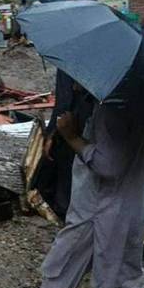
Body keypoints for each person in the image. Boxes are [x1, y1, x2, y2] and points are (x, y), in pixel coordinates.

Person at [0, 100, 144, 288]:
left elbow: (107, 165)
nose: (76, 88)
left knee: (63, 265)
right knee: (126, 279)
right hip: (127, 208)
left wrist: (72, 136)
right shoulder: (138, 104)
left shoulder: (111, 109)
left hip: (98, 211)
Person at [34, 70, 94, 219]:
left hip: (73, 122)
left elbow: (65, 97)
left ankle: (65, 210)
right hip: (88, 122)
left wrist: (52, 131)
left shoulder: (70, 60)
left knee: (67, 166)